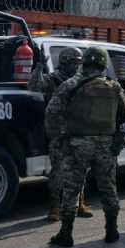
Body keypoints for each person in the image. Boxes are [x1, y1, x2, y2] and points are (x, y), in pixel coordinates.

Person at [45, 46, 125, 248]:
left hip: (77, 145)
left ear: (84, 63)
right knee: (108, 187)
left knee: (71, 189)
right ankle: (112, 230)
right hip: (106, 145)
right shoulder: (114, 86)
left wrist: (57, 136)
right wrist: (117, 135)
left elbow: (52, 111)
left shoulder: (70, 84)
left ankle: (66, 233)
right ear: (102, 64)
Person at [29, 46, 92, 222]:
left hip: (79, 131)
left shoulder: (82, 80)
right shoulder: (53, 79)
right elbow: (33, 86)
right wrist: (38, 67)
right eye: (74, 63)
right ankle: (55, 206)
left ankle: (80, 203)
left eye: (79, 63)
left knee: (81, 169)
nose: (77, 66)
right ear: (64, 62)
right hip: (59, 133)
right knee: (58, 171)